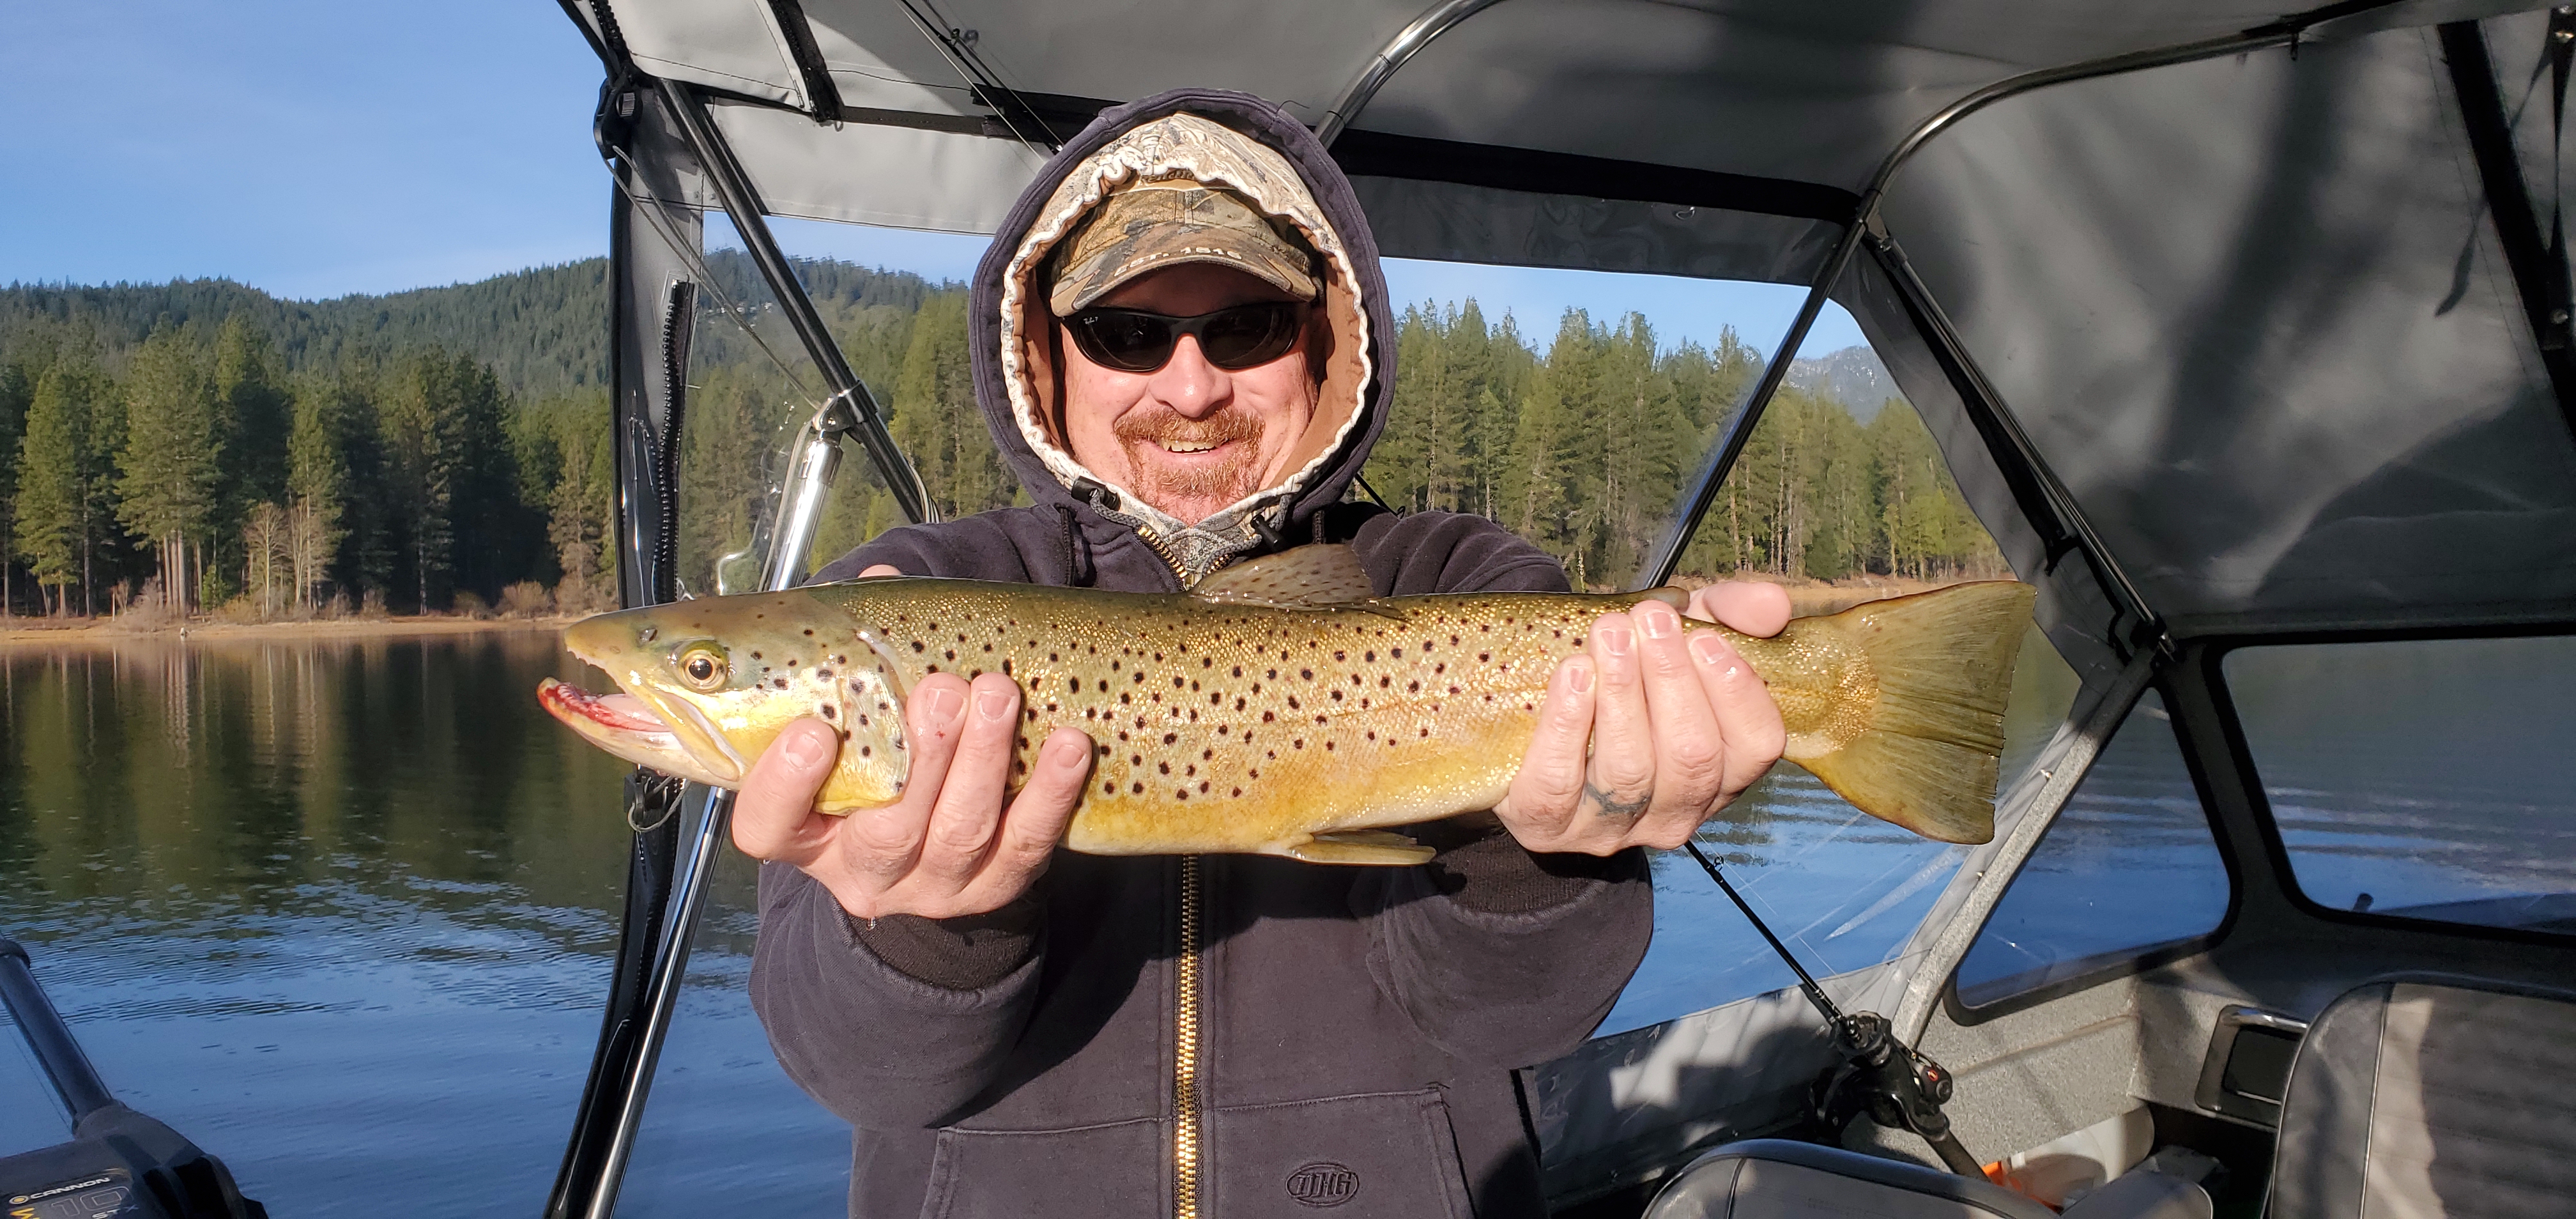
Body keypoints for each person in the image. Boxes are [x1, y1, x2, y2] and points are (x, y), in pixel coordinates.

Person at [728, 89, 1790, 1218]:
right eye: (1126, 333)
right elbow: (861, 1075)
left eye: (1247, 326)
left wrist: (1530, 855)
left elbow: (1513, 1027)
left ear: (1322, 345)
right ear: (1049, 357)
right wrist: (941, 924)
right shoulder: (908, 608)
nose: (1190, 387)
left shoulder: (1458, 581)